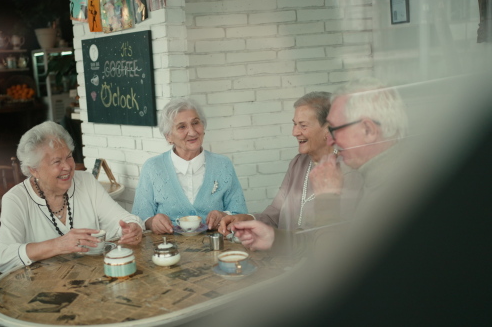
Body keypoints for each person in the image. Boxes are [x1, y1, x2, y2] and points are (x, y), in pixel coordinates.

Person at [233, 77, 409, 251]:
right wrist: (270, 235)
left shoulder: (375, 179)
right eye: (295, 124)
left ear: (369, 130)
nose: (332, 140)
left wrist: (326, 199)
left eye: (335, 128)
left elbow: (333, 256)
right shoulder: (300, 163)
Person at [0, 121, 144, 273]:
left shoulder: (86, 182)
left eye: (69, 157)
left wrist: (131, 228)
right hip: (42, 288)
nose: (68, 166)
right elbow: (2, 257)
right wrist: (58, 245)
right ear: (34, 170)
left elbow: (123, 220)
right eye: (57, 161)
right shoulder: (16, 199)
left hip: (92, 279)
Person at [218, 92, 362, 234]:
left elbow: (340, 233)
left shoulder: (349, 170)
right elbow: (274, 214)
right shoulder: (298, 164)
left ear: (328, 129)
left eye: (303, 125)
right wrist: (245, 219)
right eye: (294, 124)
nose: (295, 132)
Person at [132, 99, 248, 234]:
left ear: (203, 127)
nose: (192, 132)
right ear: (169, 137)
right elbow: (139, 219)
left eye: (195, 123)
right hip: (168, 250)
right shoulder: (152, 167)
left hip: (215, 248)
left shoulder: (223, 165)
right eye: (182, 127)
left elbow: (240, 213)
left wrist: (224, 216)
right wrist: (152, 222)